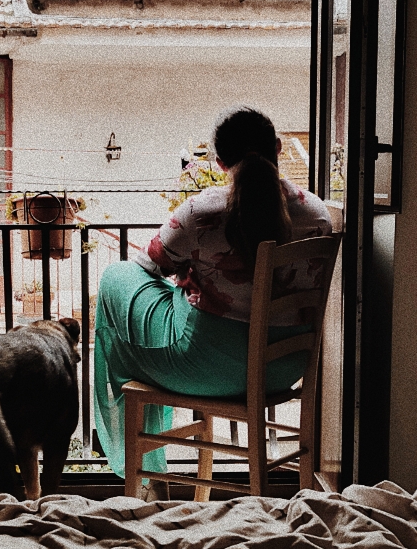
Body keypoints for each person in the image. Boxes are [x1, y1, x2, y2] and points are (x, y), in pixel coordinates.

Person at [93, 107, 333, 480]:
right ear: (279, 148)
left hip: (203, 370)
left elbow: (147, 266)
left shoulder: (200, 212)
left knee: (116, 275)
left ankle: (139, 469)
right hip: (283, 371)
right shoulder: (317, 212)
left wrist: (188, 273)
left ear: (220, 162)